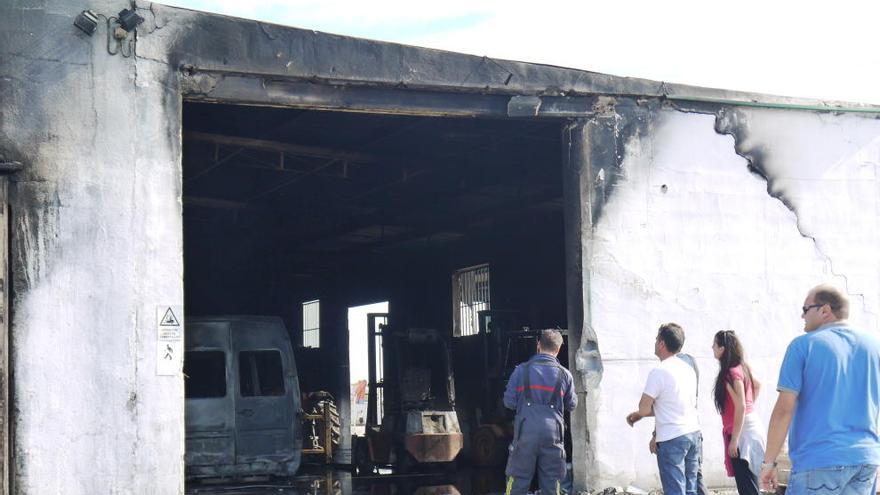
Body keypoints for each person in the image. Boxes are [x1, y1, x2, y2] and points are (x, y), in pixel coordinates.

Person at [760, 284, 880, 494]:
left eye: (806, 309)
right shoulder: (874, 347)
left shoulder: (803, 345)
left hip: (819, 460)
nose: (802, 316)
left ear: (825, 310)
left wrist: (769, 463)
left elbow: (783, 410)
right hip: (866, 459)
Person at [627, 323, 701, 495]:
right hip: (693, 432)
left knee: (675, 490)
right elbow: (673, 404)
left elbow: (644, 408)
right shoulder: (688, 369)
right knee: (691, 489)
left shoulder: (659, 371)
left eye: (655, 339)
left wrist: (638, 414)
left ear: (661, 343)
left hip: (672, 437)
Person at [503, 329, 577, 495]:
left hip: (525, 433)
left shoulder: (520, 371)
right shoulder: (565, 375)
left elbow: (509, 402)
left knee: (516, 479)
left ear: (538, 345)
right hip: (553, 435)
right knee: (553, 482)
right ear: (558, 350)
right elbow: (571, 405)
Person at [711, 330, 765, 495]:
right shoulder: (741, 367)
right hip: (747, 426)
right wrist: (749, 406)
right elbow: (758, 385)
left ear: (722, 349)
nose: (712, 347)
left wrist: (734, 439)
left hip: (742, 432)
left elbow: (740, 405)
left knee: (747, 486)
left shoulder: (731, 373)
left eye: (714, 344)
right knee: (749, 484)